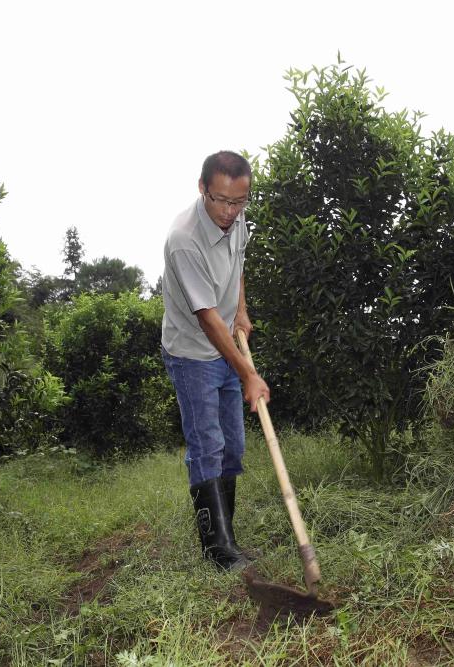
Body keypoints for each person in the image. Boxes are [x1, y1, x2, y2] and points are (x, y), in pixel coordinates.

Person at [161, 151, 270, 571]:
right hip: (193, 354)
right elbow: (207, 319)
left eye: (239, 202)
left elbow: (237, 262)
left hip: (227, 341)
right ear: (202, 188)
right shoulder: (184, 240)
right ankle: (217, 549)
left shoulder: (237, 219)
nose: (229, 211)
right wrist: (249, 374)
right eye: (221, 200)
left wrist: (240, 309)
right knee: (207, 444)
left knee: (234, 447)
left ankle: (229, 538)